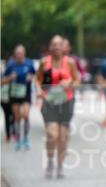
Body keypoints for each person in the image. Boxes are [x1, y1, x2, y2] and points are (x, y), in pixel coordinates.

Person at [35, 35, 80, 178]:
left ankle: (60, 166)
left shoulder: (70, 63)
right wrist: (39, 91)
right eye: (53, 45)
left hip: (66, 101)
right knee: (52, 134)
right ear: (50, 47)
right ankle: (49, 161)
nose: (56, 47)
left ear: (63, 47)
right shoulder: (44, 62)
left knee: (63, 136)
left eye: (59, 45)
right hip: (49, 102)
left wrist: (70, 84)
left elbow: (77, 80)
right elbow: (38, 79)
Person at [3, 46, 35, 149]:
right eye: (17, 53)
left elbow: (36, 75)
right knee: (17, 118)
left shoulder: (29, 64)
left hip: (26, 94)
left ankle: (25, 137)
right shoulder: (11, 65)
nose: (19, 55)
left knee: (25, 115)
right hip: (14, 94)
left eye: (21, 53)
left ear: (24, 54)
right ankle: (18, 139)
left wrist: (31, 77)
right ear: (15, 54)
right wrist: (10, 78)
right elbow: (2, 81)